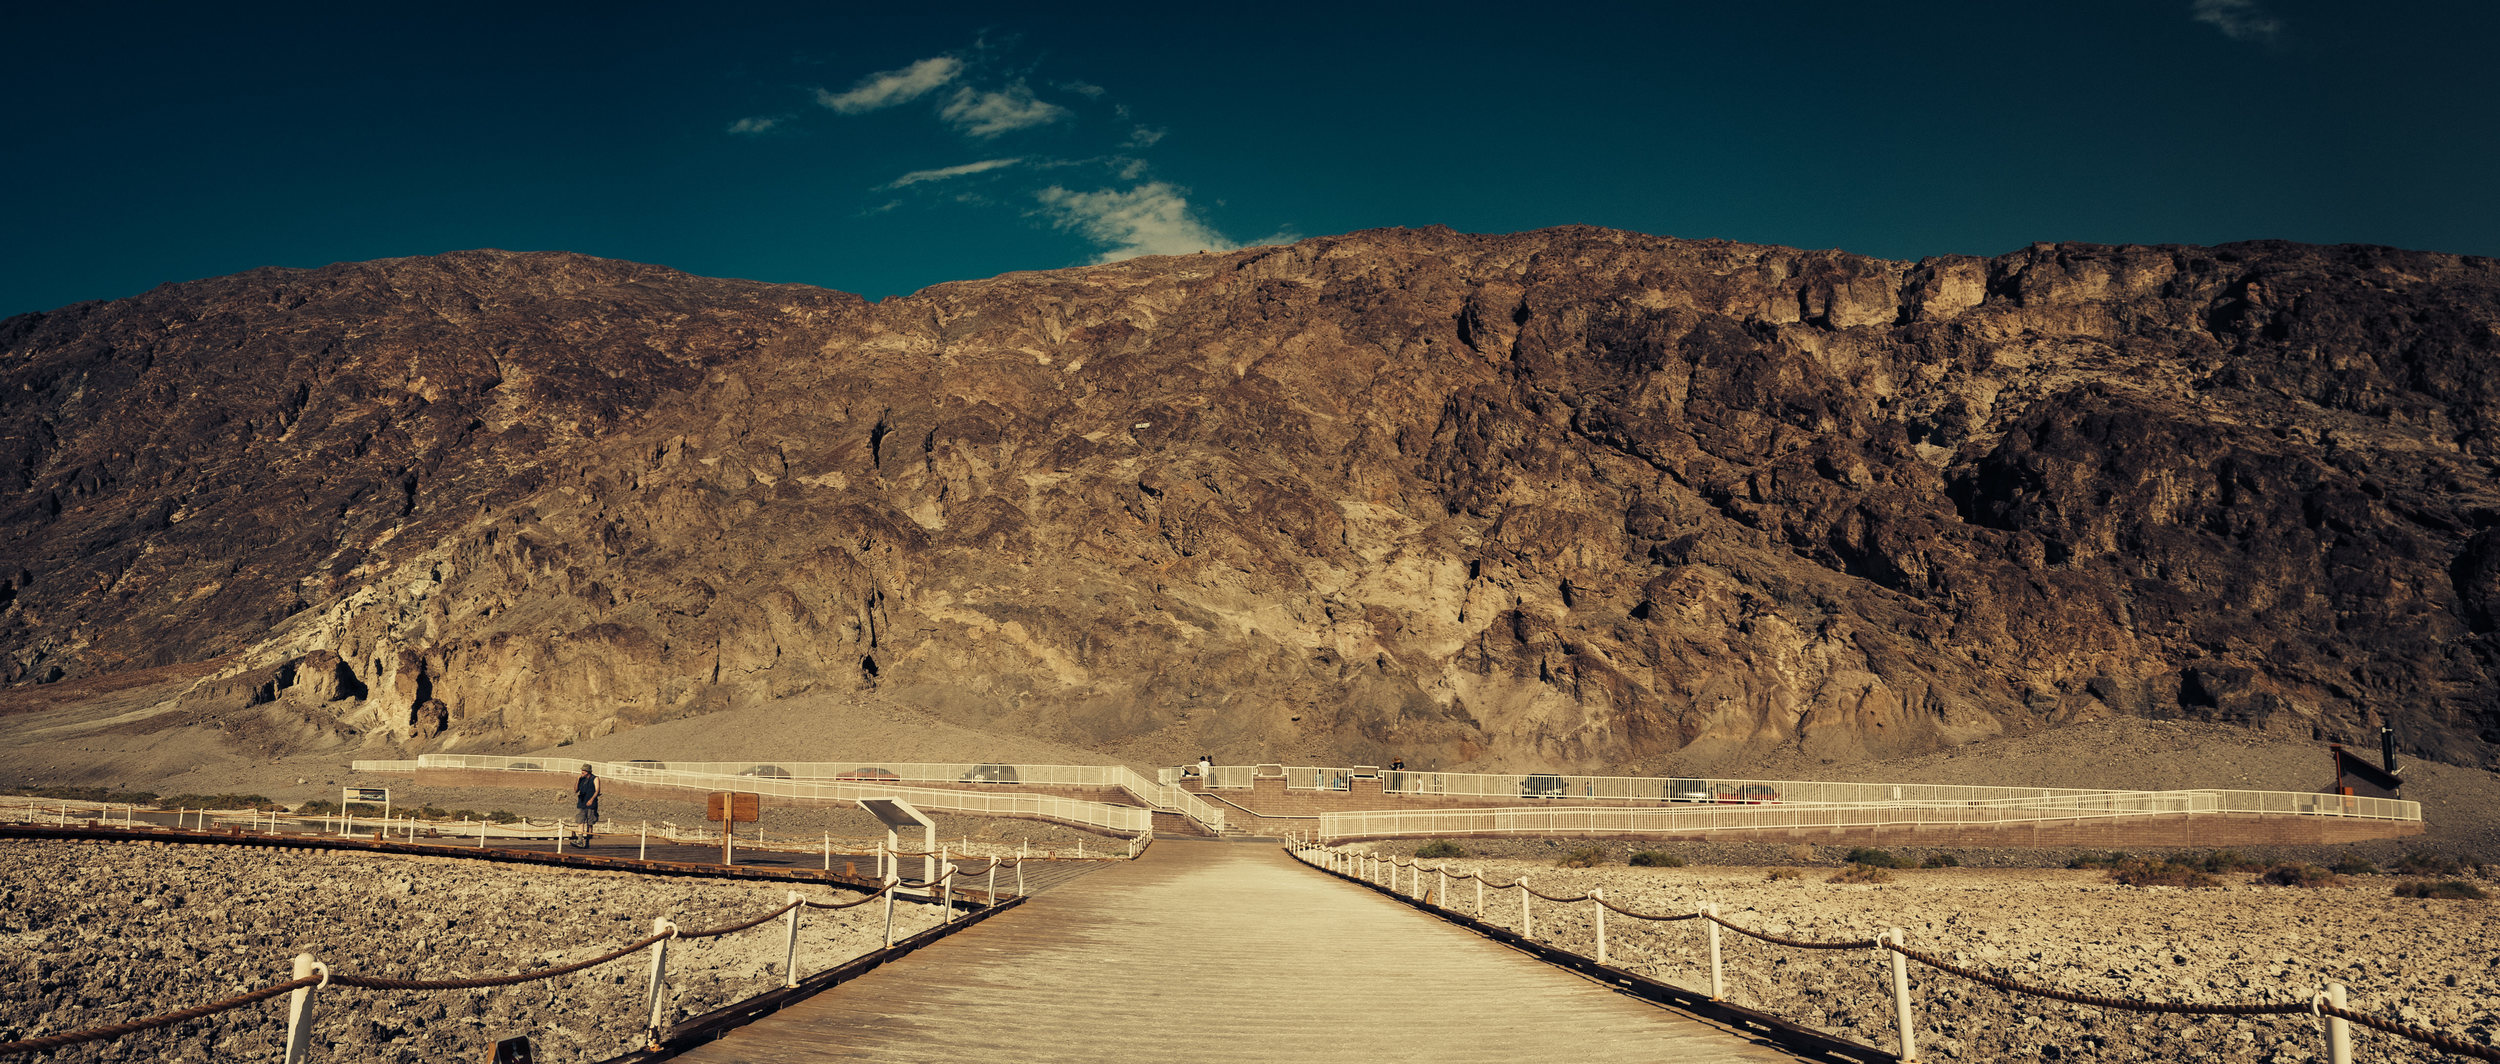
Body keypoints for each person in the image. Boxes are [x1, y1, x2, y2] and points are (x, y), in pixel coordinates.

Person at [574, 765, 600, 846]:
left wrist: (591, 799)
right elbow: (575, 790)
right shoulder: (581, 779)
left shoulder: (595, 778)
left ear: (588, 772)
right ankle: (580, 840)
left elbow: (597, 791)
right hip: (581, 803)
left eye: (584, 771)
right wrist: (578, 779)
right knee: (580, 821)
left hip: (591, 804)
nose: (582, 772)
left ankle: (588, 842)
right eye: (582, 770)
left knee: (590, 822)